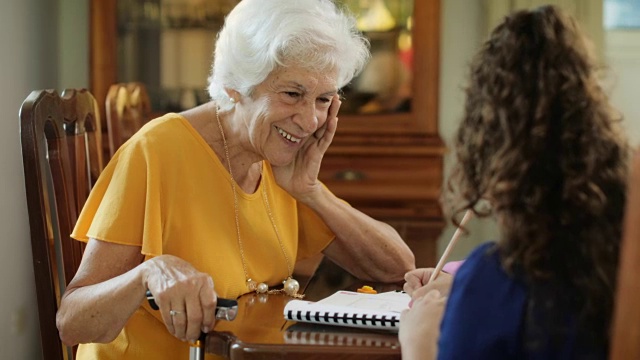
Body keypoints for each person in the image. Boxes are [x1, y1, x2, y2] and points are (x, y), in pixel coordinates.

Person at [55, 0, 416, 358]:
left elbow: (398, 268)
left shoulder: (279, 158)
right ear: (236, 85)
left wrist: (311, 192)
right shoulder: (157, 150)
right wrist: (148, 273)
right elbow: (72, 322)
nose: (309, 122)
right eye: (292, 94)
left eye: (323, 99)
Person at [399, 5, 629, 360]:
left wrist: (418, 343)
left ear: (490, 145)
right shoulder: (622, 264)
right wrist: (462, 284)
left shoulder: (494, 280)